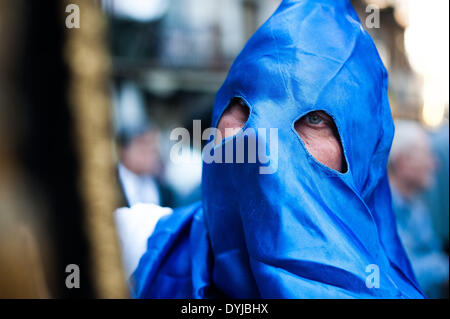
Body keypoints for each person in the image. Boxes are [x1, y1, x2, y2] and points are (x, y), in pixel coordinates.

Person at [118, 0, 426, 298]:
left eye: (314, 118)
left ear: (361, 154)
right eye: (241, 105)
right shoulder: (133, 247)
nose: (260, 139)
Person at [388, 120, 449, 298]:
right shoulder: (382, 212)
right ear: (403, 162)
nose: (435, 165)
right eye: (427, 156)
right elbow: (398, 274)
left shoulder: (416, 206)